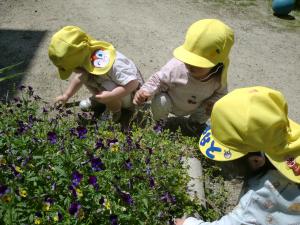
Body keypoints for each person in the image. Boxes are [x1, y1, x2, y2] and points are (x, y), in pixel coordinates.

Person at [175, 86, 300, 225]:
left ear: (256, 161)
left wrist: (187, 223)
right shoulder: (284, 136)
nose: (222, 166)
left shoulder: (262, 195)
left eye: (229, 162)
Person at [133, 19, 234, 135]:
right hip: (172, 101)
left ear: (217, 63)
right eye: (188, 59)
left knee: (210, 107)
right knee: (160, 100)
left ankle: (193, 124)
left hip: (196, 106)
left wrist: (213, 103)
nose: (190, 65)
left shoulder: (218, 77)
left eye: (199, 63)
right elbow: (158, 80)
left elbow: (221, 93)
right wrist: (146, 92)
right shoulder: (176, 67)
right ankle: (160, 124)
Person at [48, 26, 143, 121]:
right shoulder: (85, 55)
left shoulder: (116, 64)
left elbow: (133, 83)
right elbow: (79, 77)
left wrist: (112, 95)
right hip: (115, 87)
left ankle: (114, 111)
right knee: (85, 76)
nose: (74, 71)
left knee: (107, 87)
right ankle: (102, 99)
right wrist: (66, 95)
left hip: (132, 95)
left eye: (75, 68)